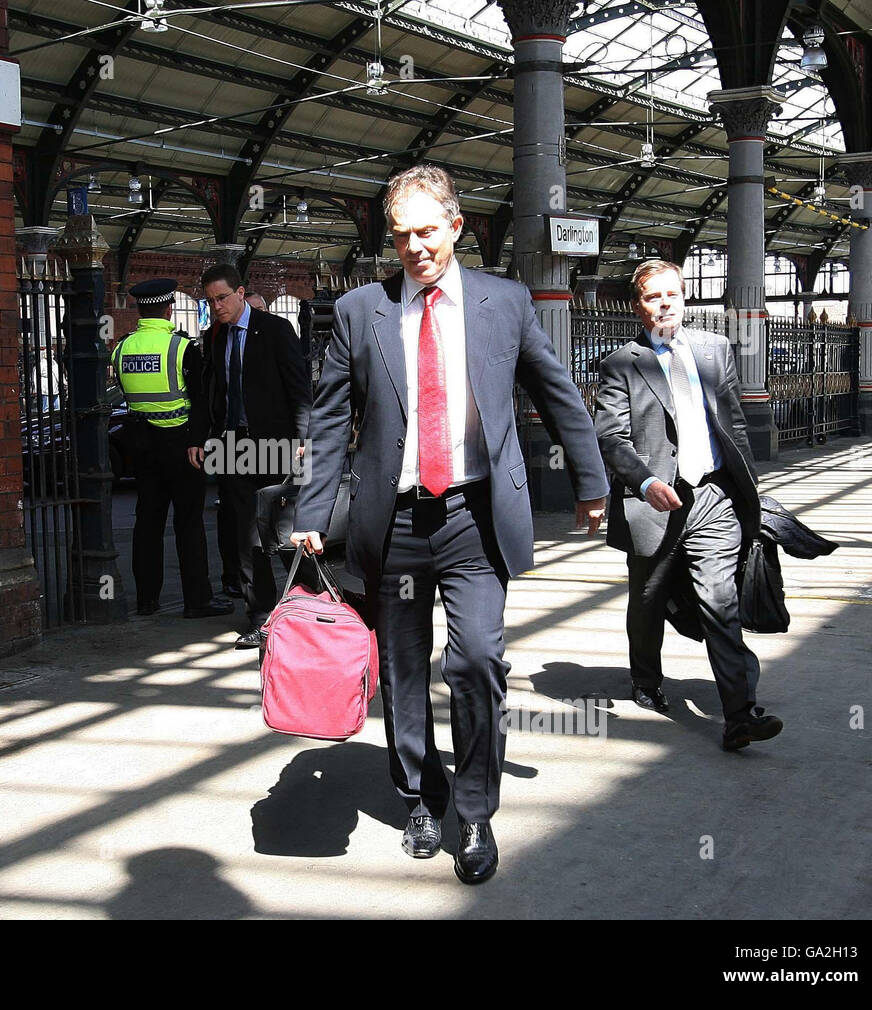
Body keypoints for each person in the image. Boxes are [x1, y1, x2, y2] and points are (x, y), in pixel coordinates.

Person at [289, 164, 608, 885]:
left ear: (456, 227)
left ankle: (475, 810)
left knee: (475, 663)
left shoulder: (504, 302)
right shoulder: (359, 311)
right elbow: (332, 418)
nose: (413, 247)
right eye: (400, 236)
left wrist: (591, 482)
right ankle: (421, 797)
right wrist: (312, 514)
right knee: (403, 672)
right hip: (393, 523)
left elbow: (556, 392)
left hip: (473, 518)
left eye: (426, 231)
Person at [593, 260, 782, 752]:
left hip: (714, 497)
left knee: (720, 600)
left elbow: (734, 423)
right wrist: (644, 481)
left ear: (684, 297)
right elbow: (610, 437)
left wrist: (750, 492)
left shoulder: (714, 350)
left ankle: (739, 715)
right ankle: (647, 678)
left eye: (672, 294)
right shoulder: (621, 363)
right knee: (648, 600)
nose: (665, 304)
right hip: (658, 502)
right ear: (638, 306)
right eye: (653, 297)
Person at [192, 264, 311, 648]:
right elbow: (207, 393)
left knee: (284, 530)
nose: (216, 307)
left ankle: (309, 608)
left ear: (241, 293)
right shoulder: (213, 337)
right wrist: (199, 438)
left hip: (275, 444)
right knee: (244, 536)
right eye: (210, 301)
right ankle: (261, 618)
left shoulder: (275, 330)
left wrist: (302, 436)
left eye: (222, 298)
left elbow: (299, 387)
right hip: (231, 445)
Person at [114, 278, 233, 620]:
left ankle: (147, 600)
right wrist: (198, 440)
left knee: (147, 522)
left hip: (141, 446)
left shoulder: (122, 348)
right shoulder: (182, 348)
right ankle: (197, 600)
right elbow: (200, 401)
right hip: (182, 446)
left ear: (139, 310)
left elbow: (127, 395)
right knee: (189, 523)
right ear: (168, 309)